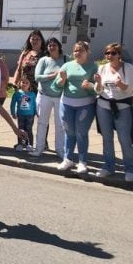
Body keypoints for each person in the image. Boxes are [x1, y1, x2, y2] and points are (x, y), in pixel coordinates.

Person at [55, 41, 97, 174]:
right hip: (66, 103)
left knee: (81, 133)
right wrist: (61, 80)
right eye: (75, 51)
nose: (78, 53)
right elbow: (57, 85)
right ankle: (68, 159)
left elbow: (98, 88)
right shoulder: (67, 65)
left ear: (87, 52)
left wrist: (90, 86)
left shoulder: (93, 66)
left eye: (81, 50)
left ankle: (82, 161)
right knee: (69, 132)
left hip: (85, 105)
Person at [93, 42, 133, 181]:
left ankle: (130, 168)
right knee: (107, 137)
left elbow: (129, 90)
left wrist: (120, 84)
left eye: (113, 53)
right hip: (103, 105)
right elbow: (98, 91)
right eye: (107, 53)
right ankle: (109, 166)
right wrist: (97, 83)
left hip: (122, 107)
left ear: (119, 55)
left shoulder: (128, 68)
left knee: (125, 139)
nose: (110, 56)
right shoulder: (102, 68)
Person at [32, 37, 67, 158]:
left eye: (54, 45)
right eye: (49, 45)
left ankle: (60, 150)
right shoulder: (44, 60)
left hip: (60, 96)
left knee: (60, 124)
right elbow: (37, 77)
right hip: (44, 95)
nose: (52, 47)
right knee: (42, 123)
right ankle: (39, 148)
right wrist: (52, 75)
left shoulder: (66, 59)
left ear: (59, 46)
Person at [10, 78, 37, 151]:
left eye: (27, 82)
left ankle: (30, 144)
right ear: (19, 83)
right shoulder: (17, 94)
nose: (24, 84)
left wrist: (36, 112)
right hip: (20, 115)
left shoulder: (32, 94)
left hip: (30, 115)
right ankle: (20, 144)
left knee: (29, 129)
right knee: (20, 130)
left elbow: (35, 104)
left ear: (29, 85)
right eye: (23, 82)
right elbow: (13, 104)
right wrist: (13, 113)